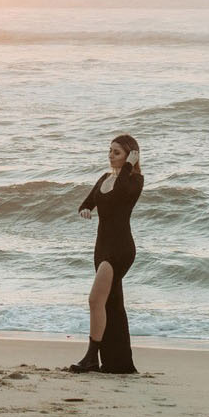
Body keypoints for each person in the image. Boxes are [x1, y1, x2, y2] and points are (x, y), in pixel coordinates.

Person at [68, 134, 142, 373]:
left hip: (120, 248)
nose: (111, 155)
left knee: (95, 299)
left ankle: (91, 357)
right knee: (111, 303)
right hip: (101, 247)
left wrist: (130, 164)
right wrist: (85, 210)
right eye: (110, 151)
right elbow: (87, 202)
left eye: (117, 152)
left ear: (130, 155)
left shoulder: (135, 180)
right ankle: (117, 362)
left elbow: (121, 193)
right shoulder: (104, 178)